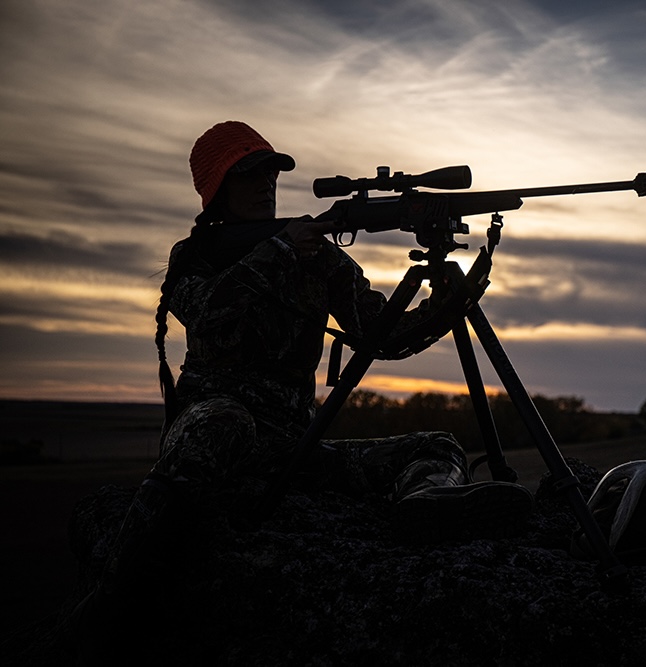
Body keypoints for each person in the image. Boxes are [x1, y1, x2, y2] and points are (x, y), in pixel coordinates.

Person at [73, 121, 532, 656]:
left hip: (292, 449)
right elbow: (209, 315)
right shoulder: (195, 255)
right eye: (249, 174)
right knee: (223, 423)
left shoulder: (320, 256)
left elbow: (381, 337)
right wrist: (281, 252)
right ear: (217, 188)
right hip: (216, 433)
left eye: (271, 171)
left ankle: (426, 506)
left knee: (437, 447)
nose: (266, 183)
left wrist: (453, 298)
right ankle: (110, 601)